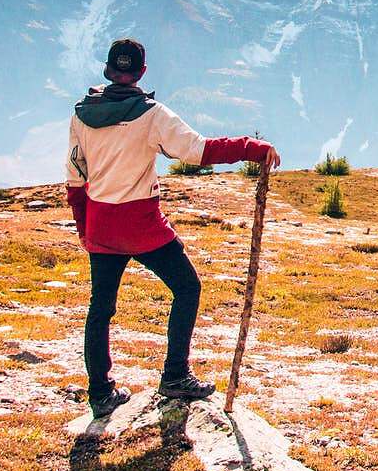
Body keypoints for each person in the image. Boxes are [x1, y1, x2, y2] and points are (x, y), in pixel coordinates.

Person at [65, 37, 279, 418]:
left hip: (101, 224)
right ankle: (175, 375)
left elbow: (75, 181)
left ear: (108, 70)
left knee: (100, 308)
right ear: (142, 73)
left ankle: (100, 392)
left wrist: (85, 228)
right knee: (186, 287)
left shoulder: (82, 115)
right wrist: (252, 147)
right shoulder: (151, 115)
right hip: (142, 225)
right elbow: (200, 151)